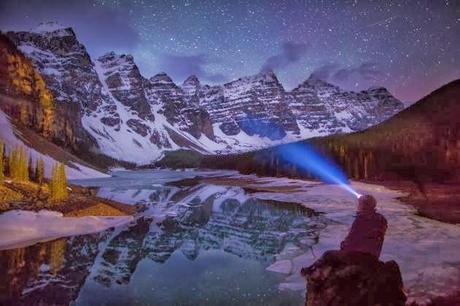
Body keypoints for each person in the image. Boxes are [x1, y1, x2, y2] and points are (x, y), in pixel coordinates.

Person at [340, 194, 388, 258]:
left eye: (359, 204)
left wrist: (343, 245)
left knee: (329, 255)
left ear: (363, 206)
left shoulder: (361, 219)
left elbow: (351, 240)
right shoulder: (381, 219)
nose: (358, 206)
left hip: (357, 256)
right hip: (374, 255)